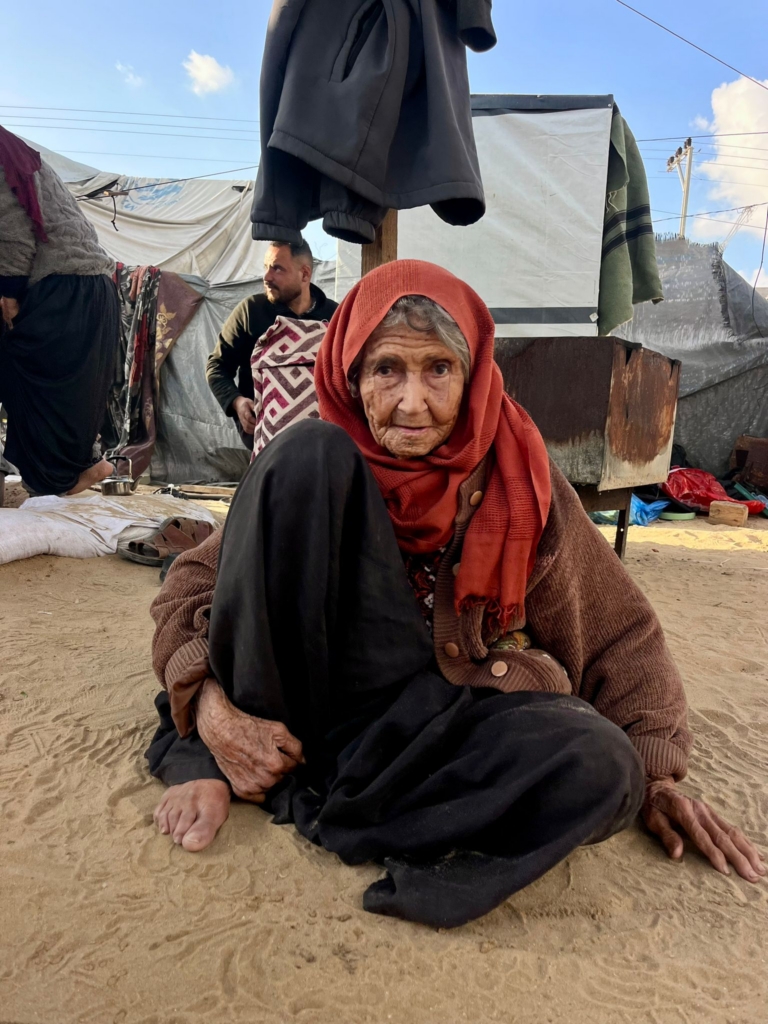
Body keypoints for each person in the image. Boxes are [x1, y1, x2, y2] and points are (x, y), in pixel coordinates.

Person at [147, 260, 764, 929]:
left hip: (422, 717)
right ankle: (240, 762)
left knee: (605, 765)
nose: (413, 403)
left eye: (438, 369)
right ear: (351, 375)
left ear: (472, 377)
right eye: (387, 370)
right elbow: (192, 588)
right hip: (296, 697)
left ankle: (333, 793)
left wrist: (656, 771)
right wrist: (212, 719)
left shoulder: (520, 474)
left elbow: (621, 630)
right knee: (304, 453)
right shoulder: (314, 462)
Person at [0, 126, 118, 496]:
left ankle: (64, 480)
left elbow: (13, 233)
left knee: (38, 401)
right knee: (59, 406)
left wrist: (10, 297)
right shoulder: (18, 153)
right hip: (88, 287)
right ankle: (75, 471)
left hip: (61, 289)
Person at [206, 238, 338, 449]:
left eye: (277, 268)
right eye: (266, 267)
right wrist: (237, 402)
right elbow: (217, 366)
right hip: (265, 439)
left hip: (320, 442)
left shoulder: (335, 317)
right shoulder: (251, 311)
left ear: (304, 274)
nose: (267, 277)